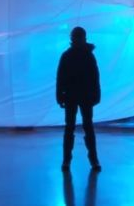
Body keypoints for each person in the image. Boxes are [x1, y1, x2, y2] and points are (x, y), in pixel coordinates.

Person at [56, 26, 101, 171]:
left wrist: (59, 95)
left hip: (77, 96)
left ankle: (70, 160)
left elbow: (94, 77)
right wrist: (96, 94)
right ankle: (86, 160)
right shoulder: (83, 55)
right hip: (78, 96)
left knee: (77, 127)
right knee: (81, 127)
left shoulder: (72, 55)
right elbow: (61, 77)